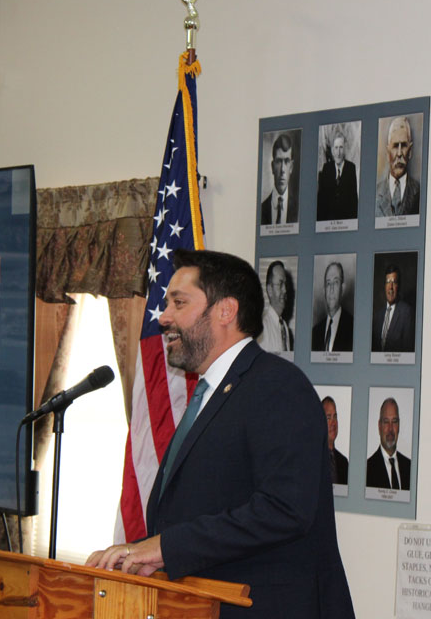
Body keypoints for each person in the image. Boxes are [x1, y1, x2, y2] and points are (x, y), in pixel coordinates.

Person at [86, 249, 355, 619]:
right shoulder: (210, 392)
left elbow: (284, 510)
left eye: (179, 303)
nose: (163, 318)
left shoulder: (278, 386)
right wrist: (152, 554)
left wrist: (166, 548)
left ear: (226, 311)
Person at [375, 116, 421, 217]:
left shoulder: (419, 191)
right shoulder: (375, 193)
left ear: (410, 152)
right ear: (387, 153)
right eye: (395, 146)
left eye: (404, 145)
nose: (399, 153)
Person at [365, 397, 411, 490]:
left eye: (394, 421)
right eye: (386, 422)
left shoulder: (410, 467)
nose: (390, 429)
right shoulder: (367, 470)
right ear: (379, 426)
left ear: (399, 425)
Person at [316, 127, 358, 221]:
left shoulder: (351, 168)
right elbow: (321, 200)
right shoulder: (326, 168)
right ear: (332, 150)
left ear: (344, 149)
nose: (338, 152)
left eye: (341, 148)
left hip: (345, 221)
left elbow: (353, 200)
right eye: (336, 148)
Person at [311, 261, 354, 352]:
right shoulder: (315, 332)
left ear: (342, 289)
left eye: (335, 282)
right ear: (324, 291)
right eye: (328, 283)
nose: (331, 289)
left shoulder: (353, 327)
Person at [371, 264, 414, 353]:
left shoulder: (406, 312)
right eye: (388, 282)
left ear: (398, 286)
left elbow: (407, 351)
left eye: (394, 282)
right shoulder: (378, 315)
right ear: (384, 286)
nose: (390, 287)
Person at [261, 133, 299, 225]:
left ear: (291, 167)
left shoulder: (299, 208)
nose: (282, 170)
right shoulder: (261, 209)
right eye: (278, 162)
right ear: (272, 167)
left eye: (286, 161)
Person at [258, 261, 293, 353]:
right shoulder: (262, 326)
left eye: (285, 284)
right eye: (280, 284)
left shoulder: (284, 327)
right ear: (270, 290)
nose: (285, 290)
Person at [322, 396, 349, 485]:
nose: (333, 423)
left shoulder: (344, 463)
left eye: (335, 417)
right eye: (328, 418)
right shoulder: (313, 459)